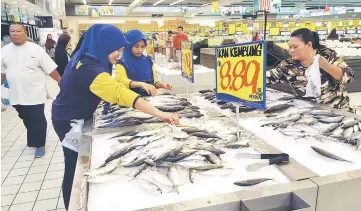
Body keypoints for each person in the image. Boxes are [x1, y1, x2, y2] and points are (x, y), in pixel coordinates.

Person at [51, 24, 179, 210]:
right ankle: (73, 205)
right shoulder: (90, 69)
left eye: (121, 49)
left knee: (74, 163)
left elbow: (89, 87)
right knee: (74, 165)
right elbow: (120, 92)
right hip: (70, 122)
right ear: (103, 44)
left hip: (70, 115)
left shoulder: (85, 57)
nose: (119, 54)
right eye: (116, 49)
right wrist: (159, 113)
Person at [1, 22, 62, 158]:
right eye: (12, 31)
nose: (15, 34)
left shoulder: (36, 50)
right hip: (16, 95)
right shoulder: (4, 51)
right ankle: (34, 139)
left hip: (35, 93)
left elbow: (50, 69)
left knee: (37, 119)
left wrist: (60, 81)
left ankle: (39, 144)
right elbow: (2, 72)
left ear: (25, 33)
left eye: (18, 31)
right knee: (26, 118)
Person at [267, 28, 354, 109]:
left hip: (339, 111)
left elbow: (350, 76)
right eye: (290, 47)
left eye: (295, 47)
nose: (291, 51)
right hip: (310, 112)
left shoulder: (328, 55)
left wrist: (328, 67)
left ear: (309, 45)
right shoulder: (288, 65)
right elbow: (266, 77)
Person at [115, 29, 173, 97]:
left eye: (143, 46)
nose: (140, 50)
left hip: (150, 99)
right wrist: (141, 84)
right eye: (136, 46)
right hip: (131, 101)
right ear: (129, 45)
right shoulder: (121, 63)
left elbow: (153, 79)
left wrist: (161, 85)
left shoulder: (148, 61)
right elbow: (121, 81)